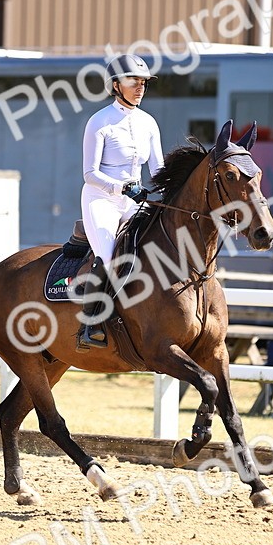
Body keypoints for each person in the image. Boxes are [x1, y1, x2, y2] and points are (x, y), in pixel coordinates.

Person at [76, 54, 164, 350]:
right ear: (116, 85)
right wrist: (122, 187)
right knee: (109, 254)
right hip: (101, 199)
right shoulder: (99, 121)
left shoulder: (149, 123)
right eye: (133, 82)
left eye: (143, 83)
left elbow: (158, 170)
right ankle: (90, 325)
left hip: (134, 200)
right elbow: (90, 173)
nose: (140, 88)